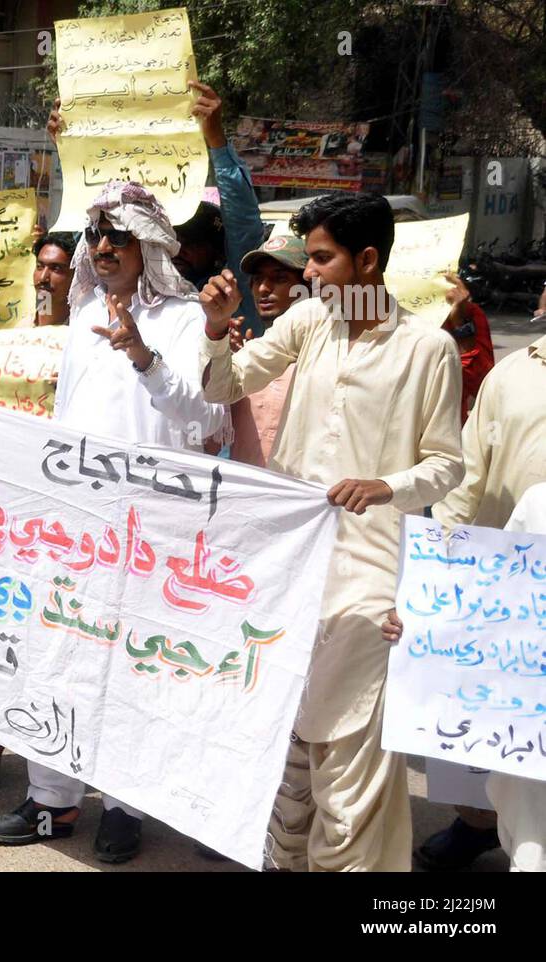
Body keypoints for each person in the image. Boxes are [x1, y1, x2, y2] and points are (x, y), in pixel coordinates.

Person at [198, 192, 464, 871]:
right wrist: (214, 326)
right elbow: (222, 386)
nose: (307, 273)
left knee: (348, 769)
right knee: (289, 764)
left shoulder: (426, 347)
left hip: (367, 580)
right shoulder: (309, 323)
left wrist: (387, 487)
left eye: (320, 259)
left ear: (368, 260)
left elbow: (445, 465)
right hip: (289, 571)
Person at [0, 180, 229, 863]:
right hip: (73, 524)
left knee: (133, 670)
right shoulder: (83, 312)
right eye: (95, 237)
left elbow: (208, 422)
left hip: (151, 529)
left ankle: (125, 805)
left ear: (148, 246)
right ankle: (52, 801)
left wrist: (143, 356)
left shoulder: (185, 320)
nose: (102, 248)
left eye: (116, 237)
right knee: (58, 655)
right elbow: (67, 417)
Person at [402, 323, 546, 869]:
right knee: (492, 729)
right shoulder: (514, 373)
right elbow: (468, 476)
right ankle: (477, 824)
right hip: (508, 585)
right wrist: (439, 567)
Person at [384, 483, 546, 873]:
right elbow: (495, 595)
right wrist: (419, 620)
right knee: (533, 843)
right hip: (533, 720)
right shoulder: (539, 502)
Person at [227, 235, 308, 467]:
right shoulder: (243, 359)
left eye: (280, 278)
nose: (263, 288)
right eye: (257, 279)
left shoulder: (326, 360)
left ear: (308, 287)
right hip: (243, 497)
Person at [0, 231, 76, 417]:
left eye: (56, 269)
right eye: (40, 266)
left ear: (75, 276)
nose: (43, 278)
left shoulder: (80, 336)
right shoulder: (18, 331)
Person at [439, 273, 494, 423]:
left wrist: (458, 321)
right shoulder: (380, 312)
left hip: (446, 426)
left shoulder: (469, 313)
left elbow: (482, 383)